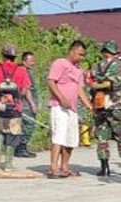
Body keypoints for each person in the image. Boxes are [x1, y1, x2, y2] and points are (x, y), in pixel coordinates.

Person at [88, 40, 121, 177]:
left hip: (100, 105)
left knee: (102, 137)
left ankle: (105, 167)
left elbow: (91, 87)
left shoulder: (95, 67)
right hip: (117, 106)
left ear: (103, 52)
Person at [47, 40, 92, 179]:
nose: (81, 57)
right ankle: (54, 168)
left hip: (72, 109)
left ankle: (65, 167)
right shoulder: (59, 63)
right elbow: (51, 82)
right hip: (59, 106)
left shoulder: (78, 69)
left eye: (83, 55)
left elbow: (79, 89)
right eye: (80, 54)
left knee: (71, 139)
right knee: (59, 137)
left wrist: (88, 105)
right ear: (72, 51)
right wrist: (61, 98)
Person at [0, 44, 33, 170]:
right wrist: (17, 99)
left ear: (3, 55)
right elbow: (24, 89)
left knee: (0, 130)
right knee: (13, 133)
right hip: (15, 108)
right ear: (15, 57)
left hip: (0, 106)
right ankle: (8, 163)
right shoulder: (21, 70)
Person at [18, 51, 40, 158]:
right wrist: (32, 104)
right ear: (24, 61)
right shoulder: (23, 72)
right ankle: (21, 148)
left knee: (25, 126)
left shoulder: (27, 71)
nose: (33, 63)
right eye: (30, 61)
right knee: (29, 125)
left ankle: (22, 147)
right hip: (26, 105)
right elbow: (26, 90)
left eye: (33, 60)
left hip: (27, 104)